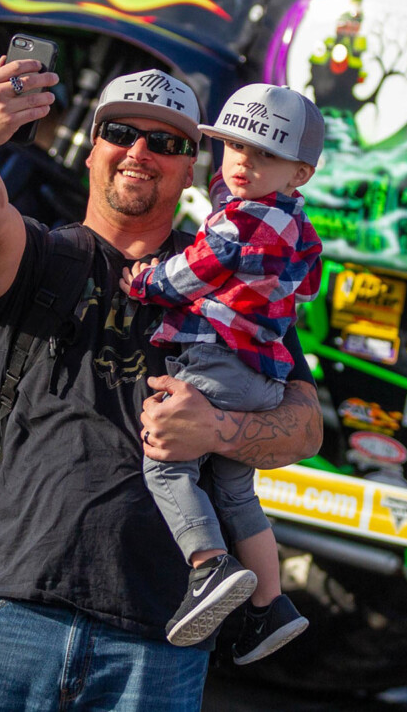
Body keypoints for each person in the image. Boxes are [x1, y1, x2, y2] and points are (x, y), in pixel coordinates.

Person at [0, 59, 323, 712]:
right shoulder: (45, 257)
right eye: (120, 132)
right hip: (14, 613)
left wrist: (218, 430)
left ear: (192, 169)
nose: (139, 151)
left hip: (160, 642)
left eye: (165, 141)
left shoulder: (235, 278)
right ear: (91, 149)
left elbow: (304, 429)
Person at [122, 84, 323, 663]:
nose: (242, 162)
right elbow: (303, 283)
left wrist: (145, 281)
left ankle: (208, 566)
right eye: (235, 147)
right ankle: (270, 607)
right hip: (263, 376)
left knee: (166, 465)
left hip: (218, 361)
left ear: (299, 174)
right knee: (236, 493)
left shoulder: (240, 221)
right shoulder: (293, 221)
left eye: (264, 154)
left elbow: (195, 269)